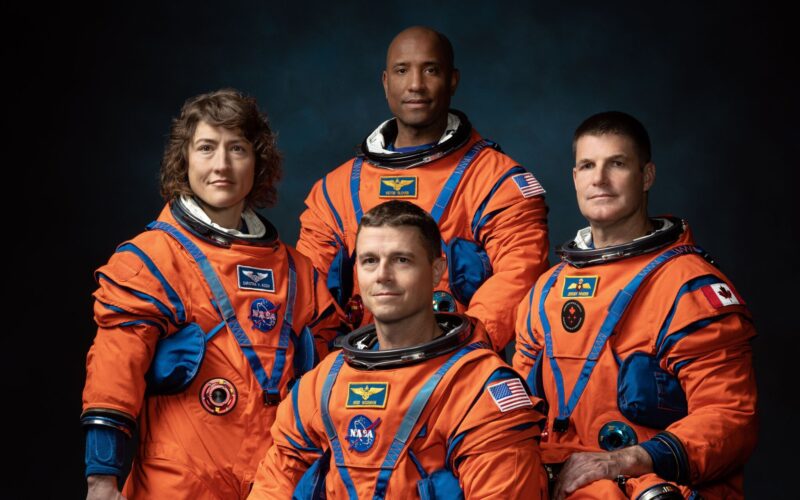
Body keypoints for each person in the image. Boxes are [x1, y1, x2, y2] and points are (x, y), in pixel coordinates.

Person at [81, 89, 344, 499]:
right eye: (206, 148)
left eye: (237, 148)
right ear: (184, 160)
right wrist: (102, 478)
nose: (221, 164)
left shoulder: (298, 274)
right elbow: (115, 369)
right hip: (178, 483)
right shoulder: (152, 260)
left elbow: (328, 388)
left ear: (258, 162)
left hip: (275, 483)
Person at [513, 111, 757, 499]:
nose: (599, 179)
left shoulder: (688, 288)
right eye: (587, 166)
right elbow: (516, 411)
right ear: (575, 178)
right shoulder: (547, 291)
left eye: (617, 164)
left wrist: (626, 460)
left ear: (646, 176)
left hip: (648, 484)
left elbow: (730, 418)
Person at [250, 200, 546, 499]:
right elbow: (273, 487)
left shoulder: (479, 388)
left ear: (436, 270)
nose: (383, 275)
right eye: (369, 261)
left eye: (401, 260)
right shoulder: (323, 384)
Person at [297, 26, 549, 351]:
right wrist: (331, 365)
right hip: (357, 367)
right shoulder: (336, 191)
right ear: (386, 82)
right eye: (402, 71)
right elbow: (307, 292)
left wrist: (457, 353)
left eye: (430, 70)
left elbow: (519, 274)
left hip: (456, 365)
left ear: (452, 80)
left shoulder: (495, 181)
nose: (415, 84)